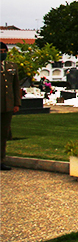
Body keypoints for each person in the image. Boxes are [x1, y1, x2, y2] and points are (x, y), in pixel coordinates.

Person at [1, 43, 20, 171]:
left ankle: (1, 160)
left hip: (7, 106)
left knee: (3, 134)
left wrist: (16, 103)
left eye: (4, 50)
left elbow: (15, 86)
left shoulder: (11, 66)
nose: (2, 53)